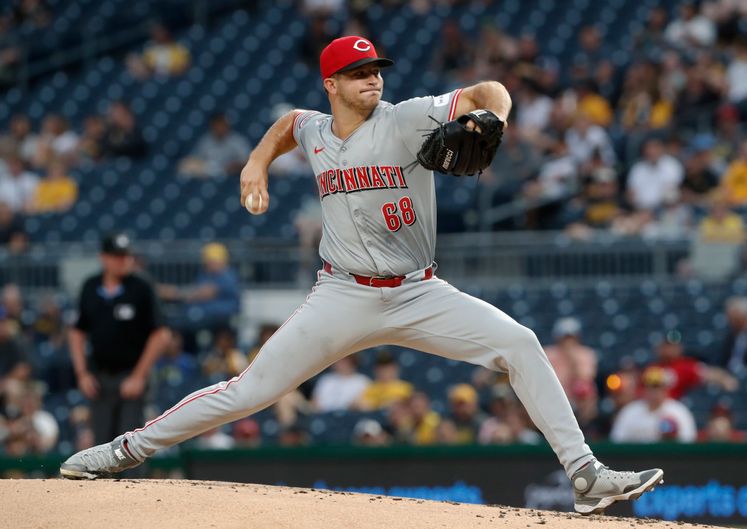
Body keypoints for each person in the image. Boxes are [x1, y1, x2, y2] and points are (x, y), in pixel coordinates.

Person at [61, 35, 663, 515]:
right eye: (358, 72)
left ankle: (585, 475)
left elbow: (490, 88)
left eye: (376, 69)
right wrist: (254, 163)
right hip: (342, 294)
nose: (373, 78)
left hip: (419, 292)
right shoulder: (315, 129)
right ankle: (124, 449)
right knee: (249, 392)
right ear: (332, 84)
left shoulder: (406, 119)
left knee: (520, 342)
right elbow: (289, 124)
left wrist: (497, 119)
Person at [67, 233, 170, 446]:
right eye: (117, 256)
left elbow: (161, 334)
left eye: (126, 255)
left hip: (131, 376)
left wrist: (139, 375)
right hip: (100, 378)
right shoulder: (91, 286)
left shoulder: (141, 286)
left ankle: (131, 482)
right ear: (103, 258)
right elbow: (77, 331)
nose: (124, 260)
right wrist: (82, 373)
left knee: (131, 444)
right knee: (101, 445)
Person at [610, 366, 697, 443]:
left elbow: (689, 441)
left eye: (658, 386)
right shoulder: (630, 411)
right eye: (650, 386)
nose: (654, 392)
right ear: (644, 389)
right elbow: (617, 441)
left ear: (666, 389)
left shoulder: (679, 412)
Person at [177, 114, 251, 178]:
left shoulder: (237, 141)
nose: (219, 128)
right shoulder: (206, 141)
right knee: (185, 165)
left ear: (227, 125)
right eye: (217, 125)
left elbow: (248, 161)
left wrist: (236, 166)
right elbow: (197, 158)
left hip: (230, 174)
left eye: (222, 125)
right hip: (209, 172)